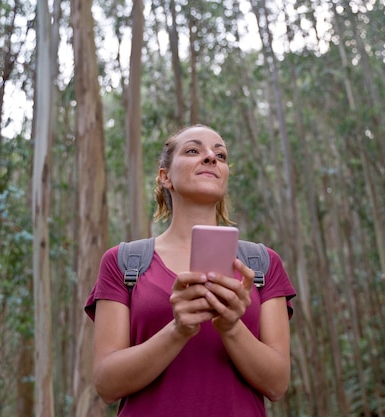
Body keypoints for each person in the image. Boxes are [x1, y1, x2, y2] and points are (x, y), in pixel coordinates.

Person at [84, 124, 296, 417]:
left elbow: (277, 384)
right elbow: (107, 384)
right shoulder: (123, 263)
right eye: (194, 151)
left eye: (220, 155)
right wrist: (177, 330)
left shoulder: (262, 264)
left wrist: (231, 326)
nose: (211, 158)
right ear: (165, 177)